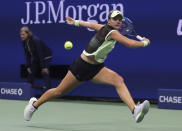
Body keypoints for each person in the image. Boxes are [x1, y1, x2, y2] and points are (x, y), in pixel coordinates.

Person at [24, 10, 150, 123]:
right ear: (109, 20)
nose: (118, 21)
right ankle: (34, 105)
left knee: (118, 81)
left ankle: (135, 110)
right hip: (81, 66)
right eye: (114, 18)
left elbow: (90, 25)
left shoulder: (103, 28)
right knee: (59, 91)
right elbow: (130, 44)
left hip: (97, 69)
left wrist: (75, 22)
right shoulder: (113, 33)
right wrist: (144, 43)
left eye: (119, 19)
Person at [20, 26, 52, 92]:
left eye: (23, 34)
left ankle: (48, 91)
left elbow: (40, 53)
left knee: (44, 72)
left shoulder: (35, 40)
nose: (21, 36)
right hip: (37, 58)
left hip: (45, 57)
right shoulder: (24, 42)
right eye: (21, 35)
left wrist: (44, 67)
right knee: (31, 71)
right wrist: (28, 65)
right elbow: (27, 54)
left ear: (28, 34)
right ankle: (27, 90)